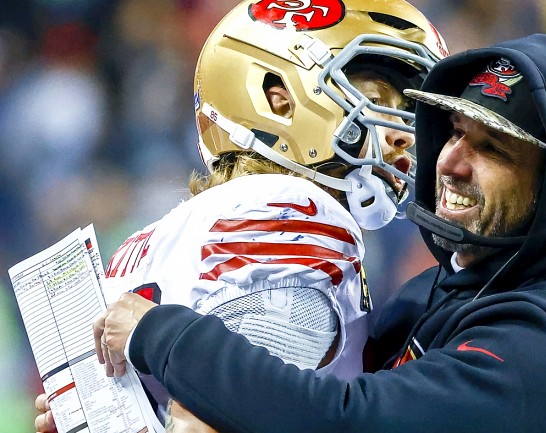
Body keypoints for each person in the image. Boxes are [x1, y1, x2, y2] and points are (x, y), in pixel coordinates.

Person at [89, 33, 546, 433]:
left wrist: (162, 336)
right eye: (456, 132)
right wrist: (125, 405)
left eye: (493, 149)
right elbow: (302, 394)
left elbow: (347, 421)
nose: (451, 162)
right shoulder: (434, 293)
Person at [33, 0, 446, 431]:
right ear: (279, 100)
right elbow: (234, 412)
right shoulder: (294, 210)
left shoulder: (153, 236)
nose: (402, 133)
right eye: (376, 99)